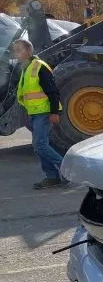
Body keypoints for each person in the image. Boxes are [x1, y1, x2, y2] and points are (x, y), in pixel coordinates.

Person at [12, 39, 66, 189]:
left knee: (39, 145)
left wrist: (54, 111)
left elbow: (53, 91)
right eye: (15, 51)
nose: (17, 54)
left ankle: (66, 168)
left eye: (19, 50)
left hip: (44, 112)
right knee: (41, 145)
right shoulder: (26, 68)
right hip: (35, 113)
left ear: (29, 51)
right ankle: (52, 177)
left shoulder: (38, 67)